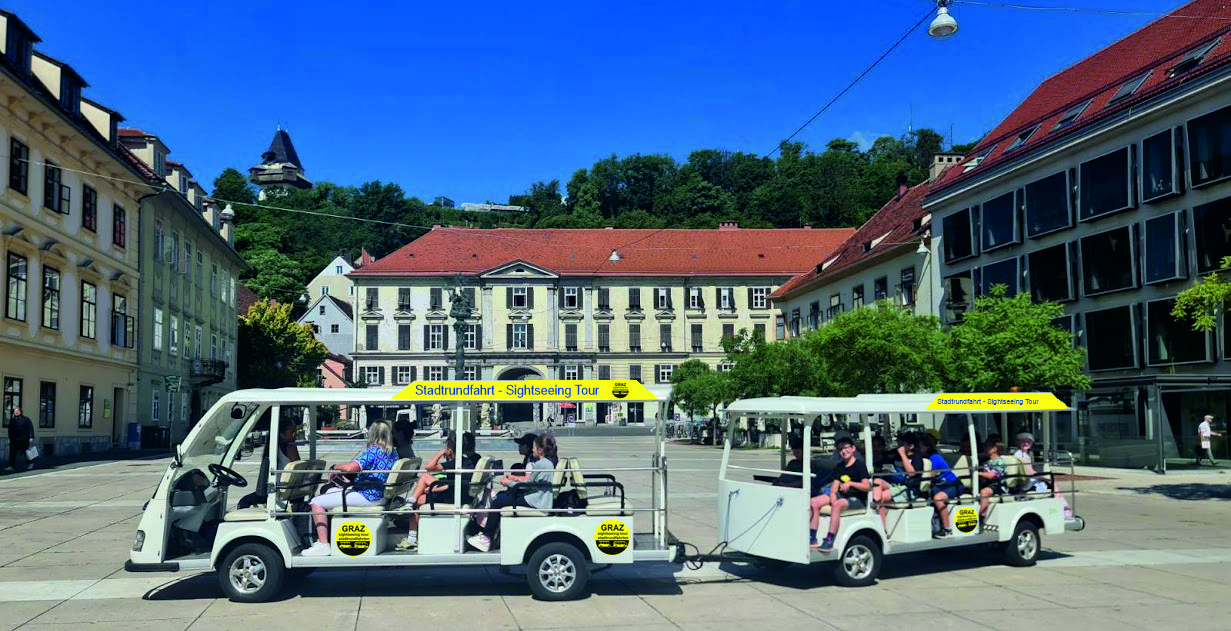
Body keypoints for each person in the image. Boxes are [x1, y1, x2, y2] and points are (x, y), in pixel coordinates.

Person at [302, 421, 398, 556]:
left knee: (316, 501)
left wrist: (335, 467)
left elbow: (351, 468)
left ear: (372, 434)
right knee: (329, 492)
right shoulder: (392, 453)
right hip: (378, 494)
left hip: (367, 495)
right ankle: (329, 535)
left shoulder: (373, 451)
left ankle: (323, 544)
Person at [468, 433, 559, 552]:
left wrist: (508, 483)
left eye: (534, 447)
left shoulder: (541, 464)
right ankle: (493, 535)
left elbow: (526, 485)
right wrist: (514, 479)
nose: (532, 449)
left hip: (535, 501)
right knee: (502, 497)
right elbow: (530, 481)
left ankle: (486, 537)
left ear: (540, 449)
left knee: (497, 502)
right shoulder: (547, 463)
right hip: (537, 498)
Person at [397, 431, 481, 551]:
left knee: (419, 499)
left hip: (454, 496)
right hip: (459, 492)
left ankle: (412, 537)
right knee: (425, 478)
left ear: (450, 448)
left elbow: (429, 467)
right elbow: (457, 483)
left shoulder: (455, 463)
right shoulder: (469, 461)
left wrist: (442, 453)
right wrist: (438, 488)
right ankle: (410, 503)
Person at [809, 436, 885, 552]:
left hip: (857, 499)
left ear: (853, 448)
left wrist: (851, 484)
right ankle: (812, 537)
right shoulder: (840, 467)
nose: (843, 451)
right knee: (813, 502)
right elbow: (835, 485)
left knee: (837, 504)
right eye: (840, 449)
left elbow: (866, 486)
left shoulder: (860, 466)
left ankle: (829, 540)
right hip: (841, 496)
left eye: (845, 448)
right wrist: (833, 495)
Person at [236, 419, 303, 509]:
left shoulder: (280, 448)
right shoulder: (290, 447)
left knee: (244, 502)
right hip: (285, 488)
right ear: (281, 434)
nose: (296, 434)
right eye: (293, 432)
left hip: (282, 489)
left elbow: (298, 468)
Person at [920, 433, 962, 538]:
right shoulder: (926, 458)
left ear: (927, 447)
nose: (918, 448)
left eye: (920, 446)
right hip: (940, 486)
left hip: (952, 485)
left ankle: (947, 529)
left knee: (938, 498)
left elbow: (932, 474)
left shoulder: (934, 458)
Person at [977, 439, 1007, 521]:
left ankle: (981, 518)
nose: (985, 448)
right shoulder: (986, 462)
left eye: (987, 446)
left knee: (984, 492)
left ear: (994, 449)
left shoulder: (1000, 462)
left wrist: (980, 474)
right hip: (987, 484)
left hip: (998, 485)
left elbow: (994, 475)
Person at [7, 407, 34, 471]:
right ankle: (12, 466)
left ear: (21, 412)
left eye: (17, 411)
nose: (16, 412)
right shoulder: (12, 420)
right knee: (12, 453)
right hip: (14, 439)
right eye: (15, 411)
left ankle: (30, 463)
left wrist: (31, 437)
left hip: (24, 439)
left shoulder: (26, 419)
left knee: (27, 452)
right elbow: (10, 429)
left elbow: (30, 428)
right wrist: (10, 437)